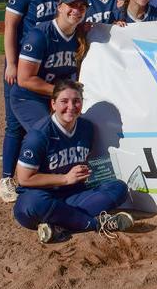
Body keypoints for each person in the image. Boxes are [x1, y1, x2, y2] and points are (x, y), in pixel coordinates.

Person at [13, 79, 134, 243]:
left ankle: (60, 225)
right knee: (33, 204)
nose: (71, 106)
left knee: (118, 188)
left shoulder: (86, 128)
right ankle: (96, 223)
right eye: (64, 101)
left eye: (76, 101)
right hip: (42, 196)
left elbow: (87, 164)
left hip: (72, 196)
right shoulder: (38, 135)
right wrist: (64, 178)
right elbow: (24, 178)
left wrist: (92, 173)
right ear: (53, 104)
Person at [0, 0, 67, 203]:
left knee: (53, 119)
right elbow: (10, 26)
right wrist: (11, 63)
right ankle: (7, 178)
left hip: (50, 66)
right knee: (15, 125)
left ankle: (42, 173)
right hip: (24, 65)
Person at [10, 0, 87, 132]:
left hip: (59, 97)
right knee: (48, 133)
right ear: (59, 7)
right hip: (30, 96)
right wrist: (64, 93)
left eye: (81, 7)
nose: (76, 10)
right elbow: (25, 79)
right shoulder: (39, 35)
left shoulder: (82, 35)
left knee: (79, 131)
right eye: (71, 5)